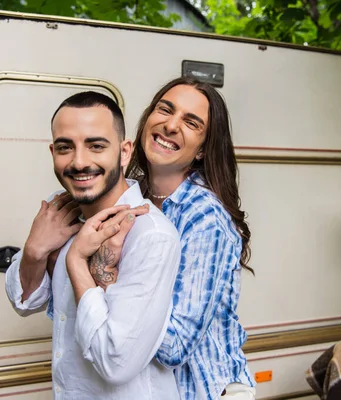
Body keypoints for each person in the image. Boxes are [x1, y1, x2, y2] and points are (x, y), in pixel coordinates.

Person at [4, 91, 182, 400]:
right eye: (65, 147)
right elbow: (25, 301)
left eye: (96, 145)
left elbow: (115, 362)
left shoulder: (151, 235)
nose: (79, 162)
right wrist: (34, 250)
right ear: (52, 153)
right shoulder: (60, 211)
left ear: (124, 152)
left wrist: (76, 261)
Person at [96, 77, 257, 400]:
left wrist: (104, 274)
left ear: (202, 150)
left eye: (191, 122)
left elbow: (175, 345)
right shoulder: (131, 197)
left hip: (206, 392)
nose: (170, 125)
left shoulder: (205, 218)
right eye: (164, 109)